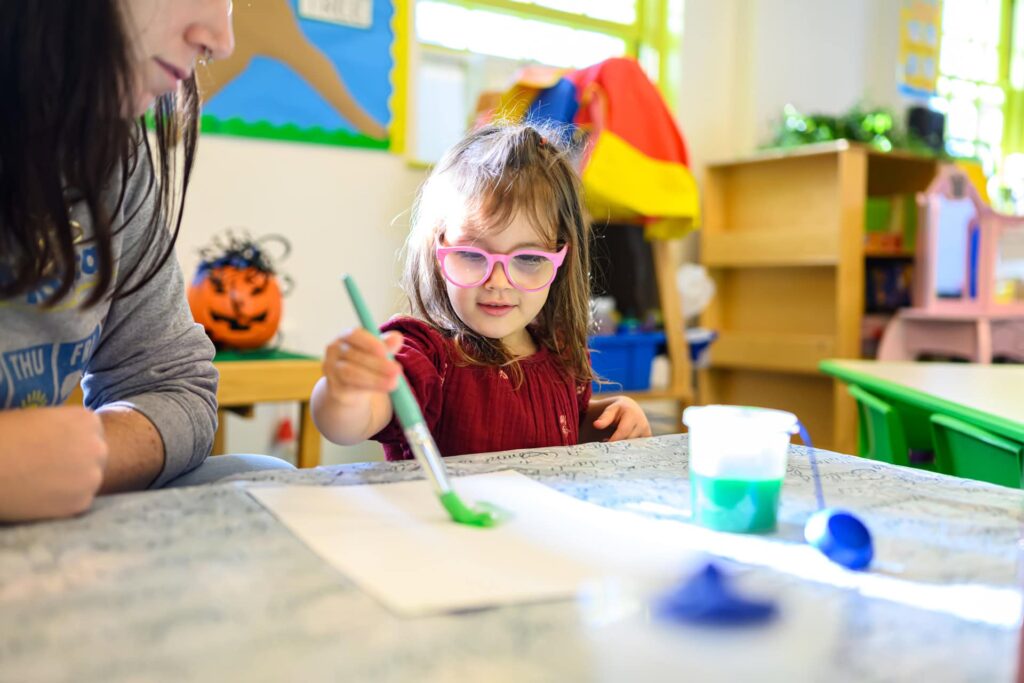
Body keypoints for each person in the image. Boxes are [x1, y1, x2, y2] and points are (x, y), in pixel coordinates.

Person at [0, 0, 291, 523]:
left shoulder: (113, 150)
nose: (222, 41)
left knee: (266, 481)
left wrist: (90, 454)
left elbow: (174, 384)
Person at [311, 123, 651, 460]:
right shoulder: (425, 354)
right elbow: (350, 424)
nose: (498, 282)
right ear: (437, 251)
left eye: (528, 258)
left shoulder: (561, 354)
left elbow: (560, 433)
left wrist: (605, 419)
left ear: (560, 261)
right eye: (473, 255)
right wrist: (345, 393)